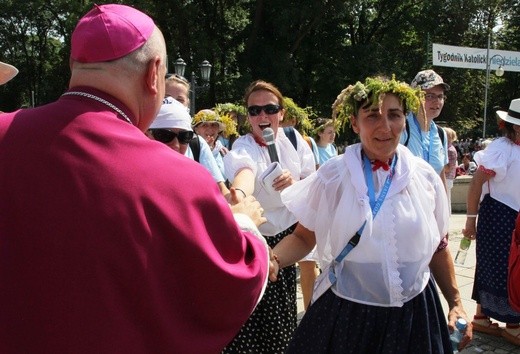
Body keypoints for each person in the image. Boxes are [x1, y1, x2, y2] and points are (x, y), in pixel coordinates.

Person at [0, 4, 276, 353]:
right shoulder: (180, 179)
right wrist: (244, 224)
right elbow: (235, 279)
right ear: (154, 73)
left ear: (73, 66)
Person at [271, 76, 472, 353]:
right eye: (372, 116)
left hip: (415, 315)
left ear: (405, 119)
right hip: (351, 316)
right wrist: (272, 260)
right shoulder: (334, 175)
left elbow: (439, 247)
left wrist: (456, 302)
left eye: (394, 115)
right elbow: (304, 237)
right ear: (354, 123)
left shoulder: (424, 176)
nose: (385, 127)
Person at [222, 80, 316, 353]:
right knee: (247, 320)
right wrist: (238, 194)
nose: (262, 116)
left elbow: (312, 187)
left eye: (269, 109)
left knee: (280, 322)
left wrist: (295, 185)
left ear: (282, 113)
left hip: (289, 239)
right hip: (254, 237)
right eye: (254, 110)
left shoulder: (296, 142)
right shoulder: (243, 145)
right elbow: (244, 170)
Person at [463, 98, 520, 346]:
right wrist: (470, 220)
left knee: (497, 264)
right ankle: (513, 325)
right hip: (499, 215)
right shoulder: (502, 148)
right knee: (503, 266)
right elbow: (477, 182)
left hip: (512, 215)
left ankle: (481, 317)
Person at [400, 69, 449, 186]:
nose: (437, 101)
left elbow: (441, 176)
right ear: (414, 97)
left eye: (440, 96)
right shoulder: (401, 128)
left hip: (431, 202)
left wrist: (446, 204)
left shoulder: (441, 134)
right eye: (430, 96)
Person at [192, 108, 237, 177]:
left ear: (218, 129)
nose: (210, 129)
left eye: (213, 125)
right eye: (205, 125)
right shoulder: (190, 151)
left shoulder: (224, 152)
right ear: (196, 130)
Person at [444, 127, 458, 214]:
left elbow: (448, 168)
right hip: (446, 178)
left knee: (446, 200)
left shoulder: (450, 150)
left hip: (447, 178)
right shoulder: (447, 148)